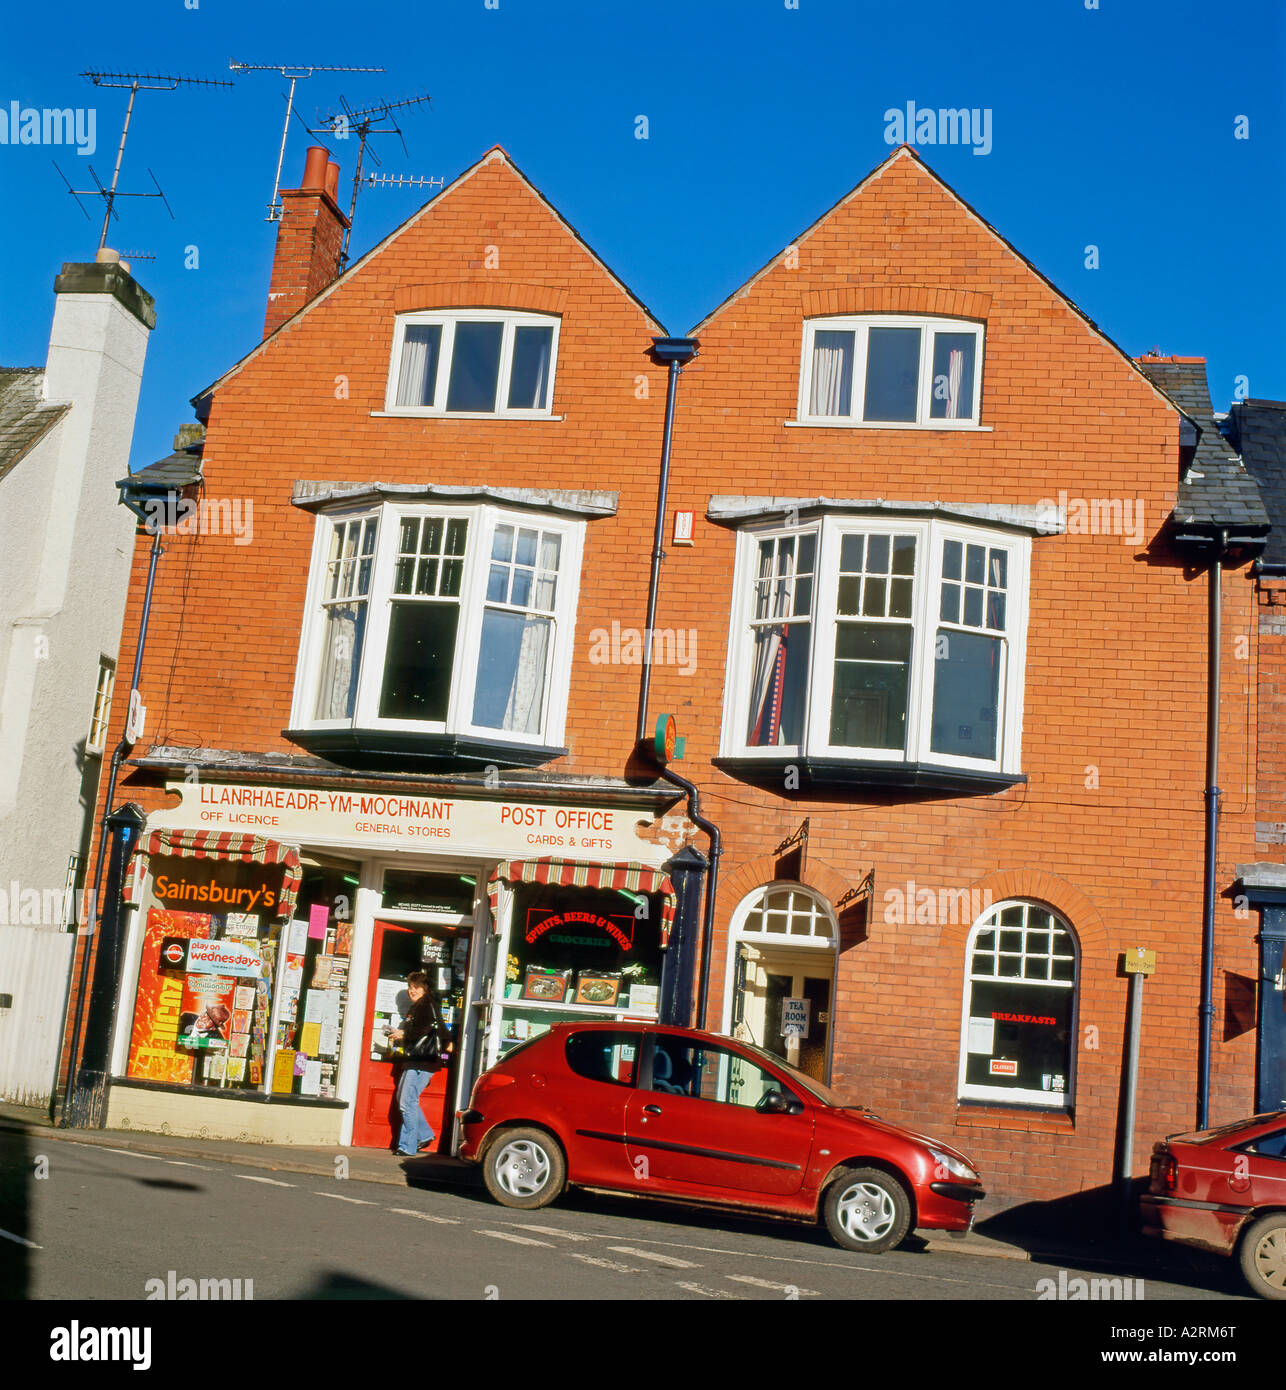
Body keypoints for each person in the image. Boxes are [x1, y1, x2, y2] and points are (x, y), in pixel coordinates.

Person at [387, 972, 449, 1156]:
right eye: (410, 987)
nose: (411, 990)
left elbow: (424, 1029)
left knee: (406, 1101)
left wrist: (404, 1035)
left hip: (423, 1060)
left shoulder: (426, 1005)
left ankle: (409, 1146)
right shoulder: (420, 1006)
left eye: (416, 987)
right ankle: (423, 1135)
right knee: (406, 1100)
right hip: (417, 1059)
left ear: (425, 988)